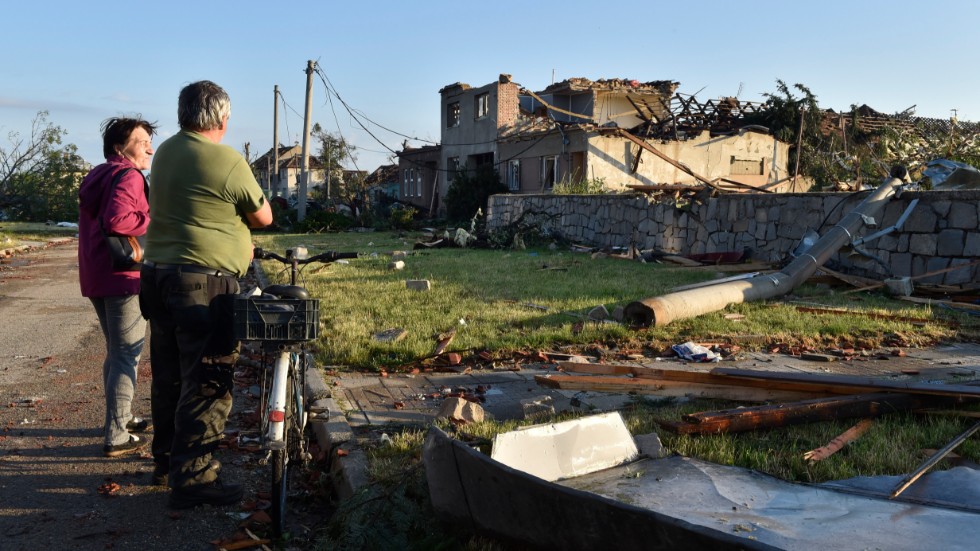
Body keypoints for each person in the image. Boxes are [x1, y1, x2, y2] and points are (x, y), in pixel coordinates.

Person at [140, 81, 272, 508]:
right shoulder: (226, 159)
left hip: (157, 275)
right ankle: (194, 476)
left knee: (169, 373)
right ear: (221, 118)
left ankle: (166, 461)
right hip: (202, 284)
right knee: (207, 378)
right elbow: (263, 215)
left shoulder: (165, 152)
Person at [78, 117, 157, 458]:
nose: (150, 148)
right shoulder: (129, 175)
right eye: (142, 142)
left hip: (97, 274)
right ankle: (116, 434)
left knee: (117, 352)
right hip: (124, 276)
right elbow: (117, 220)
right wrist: (156, 220)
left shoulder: (99, 173)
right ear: (120, 147)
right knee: (127, 355)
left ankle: (121, 417)